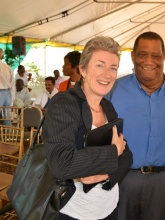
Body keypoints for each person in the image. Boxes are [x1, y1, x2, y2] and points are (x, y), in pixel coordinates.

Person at [105, 31, 165, 220]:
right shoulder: (113, 90)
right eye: (142, 55)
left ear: (164, 57)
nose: (148, 61)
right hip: (122, 178)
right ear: (133, 57)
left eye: (156, 56)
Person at [42, 36, 133, 220]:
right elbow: (61, 163)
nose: (107, 74)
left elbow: (128, 156)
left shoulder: (108, 107)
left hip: (108, 210)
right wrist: (113, 151)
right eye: (100, 65)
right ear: (82, 69)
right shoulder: (64, 104)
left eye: (113, 68)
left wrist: (105, 174)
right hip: (75, 214)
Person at [0, 48, 15, 126]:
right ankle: (8, 136)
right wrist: (12, 99)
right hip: (7, 93)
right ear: (2, 56)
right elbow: (12, 84)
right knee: (7, 117)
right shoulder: (7, 67)